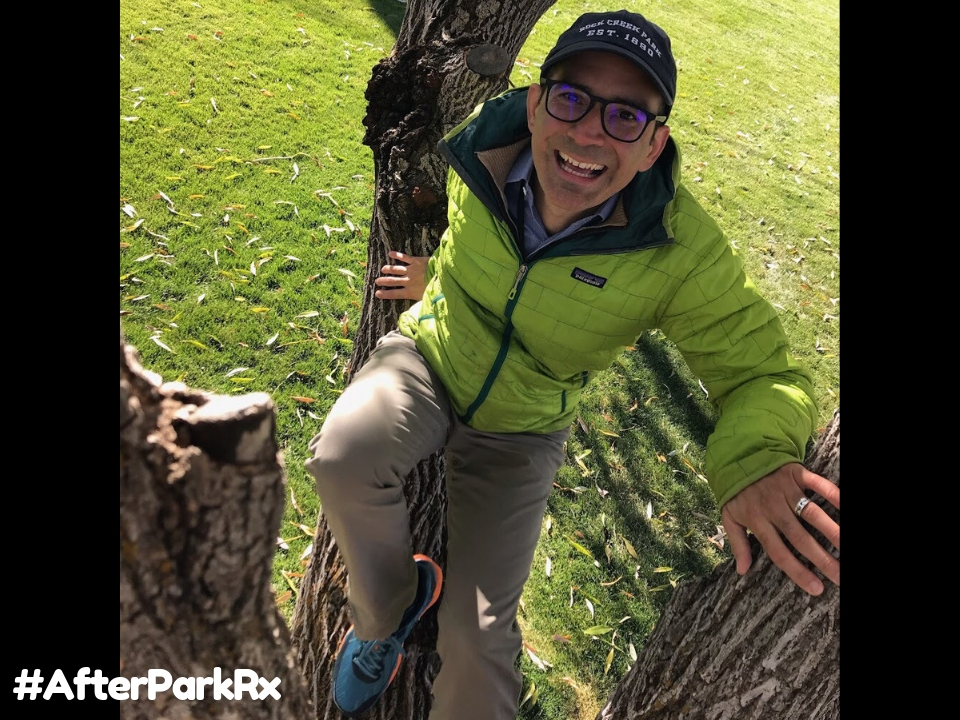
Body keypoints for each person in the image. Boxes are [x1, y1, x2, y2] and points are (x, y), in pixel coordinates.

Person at [305, 8, 840, 720]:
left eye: (625, 116)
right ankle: (388, 617)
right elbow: (485, 242)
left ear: (655, 145)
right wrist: (435, 276)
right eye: (571, 98)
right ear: (535, 104)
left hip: (522, 429)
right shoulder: (482, 145)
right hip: (429, 359)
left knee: (479, 644)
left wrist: (754, 459)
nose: (589, 130)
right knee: (342, 456)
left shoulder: (678, 250)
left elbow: (762, 373)